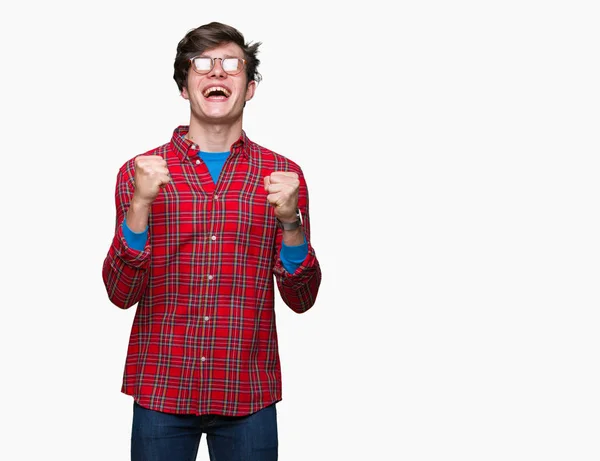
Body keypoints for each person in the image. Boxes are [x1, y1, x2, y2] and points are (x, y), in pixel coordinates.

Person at [102, 21, 321, 461]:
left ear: (251, 87)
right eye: (202, 65)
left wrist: (291, 222)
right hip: (162, 386)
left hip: (249, 391)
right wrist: (140, 206)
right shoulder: (138, 173)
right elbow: (120, 294)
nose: (217, 73)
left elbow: (302, 298)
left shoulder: (282, 176)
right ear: (184, 87)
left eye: (231, 65)